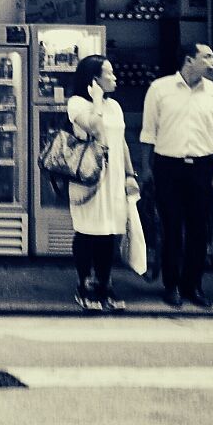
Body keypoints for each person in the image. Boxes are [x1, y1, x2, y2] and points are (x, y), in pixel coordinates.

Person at [141, 42, 213, 309]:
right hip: (168, 165)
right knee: (171, 227)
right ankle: (171, 286)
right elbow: (149, 133)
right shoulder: (160, 89)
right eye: (207, 56)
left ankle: (193, 285)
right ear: (189, 60)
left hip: (203, 166)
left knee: (198, 229)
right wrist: (146, 169)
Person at [66, 56, 139, 312]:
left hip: (115, 178)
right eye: (109, 73)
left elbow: (122, 142)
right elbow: (95, 129)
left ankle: (105, 284)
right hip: (89, 179)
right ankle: (84, 284)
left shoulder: (116, 107)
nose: (115, 77)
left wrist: (131, 175)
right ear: (94, 79)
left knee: (109, 233)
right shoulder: (76, 104)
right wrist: (96, 101)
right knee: (87, 231)